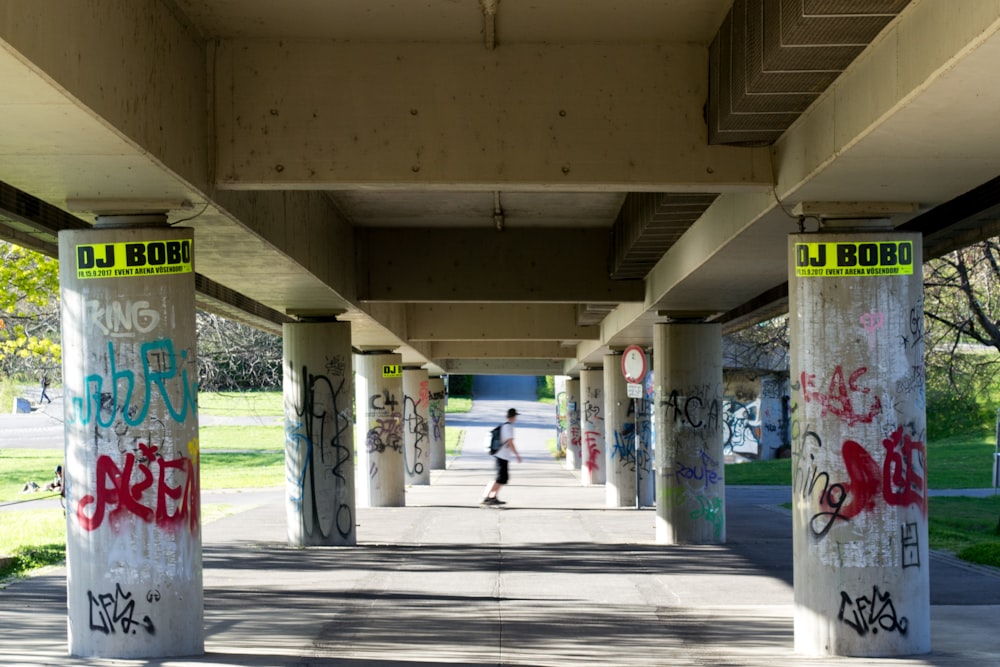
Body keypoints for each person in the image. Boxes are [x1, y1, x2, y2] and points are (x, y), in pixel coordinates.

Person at [481, 408, 522, 506]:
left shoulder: (505, 426)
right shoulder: (508, 427)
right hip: (501, 456)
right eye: (515, 416)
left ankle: (493, 497)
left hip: (502, 456)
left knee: (502, 478)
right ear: (513, 417)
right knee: (500, 478)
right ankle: (487, 497)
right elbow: (510, 442)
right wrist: (517, 455)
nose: (516, 418)